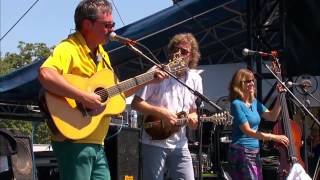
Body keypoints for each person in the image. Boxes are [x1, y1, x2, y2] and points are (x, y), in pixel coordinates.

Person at [38, 0, 167, 180]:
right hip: (74, 140)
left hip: (97, 142)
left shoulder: (102, 55)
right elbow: (46, 74)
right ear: (87, 24)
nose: (112, 30)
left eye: (112, 25)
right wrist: (83, 96)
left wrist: (148, 78)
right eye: (107, 25)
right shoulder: (69, 48)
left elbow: (116, 94)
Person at [131, 33, 202, 180]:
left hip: (180, 143)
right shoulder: (156, 72)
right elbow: (136, 103)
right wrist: (162, 112)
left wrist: (194, 118)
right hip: (154, 140)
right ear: (170, 53)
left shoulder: (195, 79)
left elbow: (193, 110)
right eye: (175, 50)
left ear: (191, 56)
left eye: (184, 52)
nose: (178, 54)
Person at [227, 68, 289, 180]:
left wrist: (280, 96)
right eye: (248, 81)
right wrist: (274, 137)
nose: (251, 83)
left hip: (254, 152)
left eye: (252, 81)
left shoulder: (254, 102)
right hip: (241, 152)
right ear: (239, 84)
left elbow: (272, 116)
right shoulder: (236, 104)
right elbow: (248, 131)